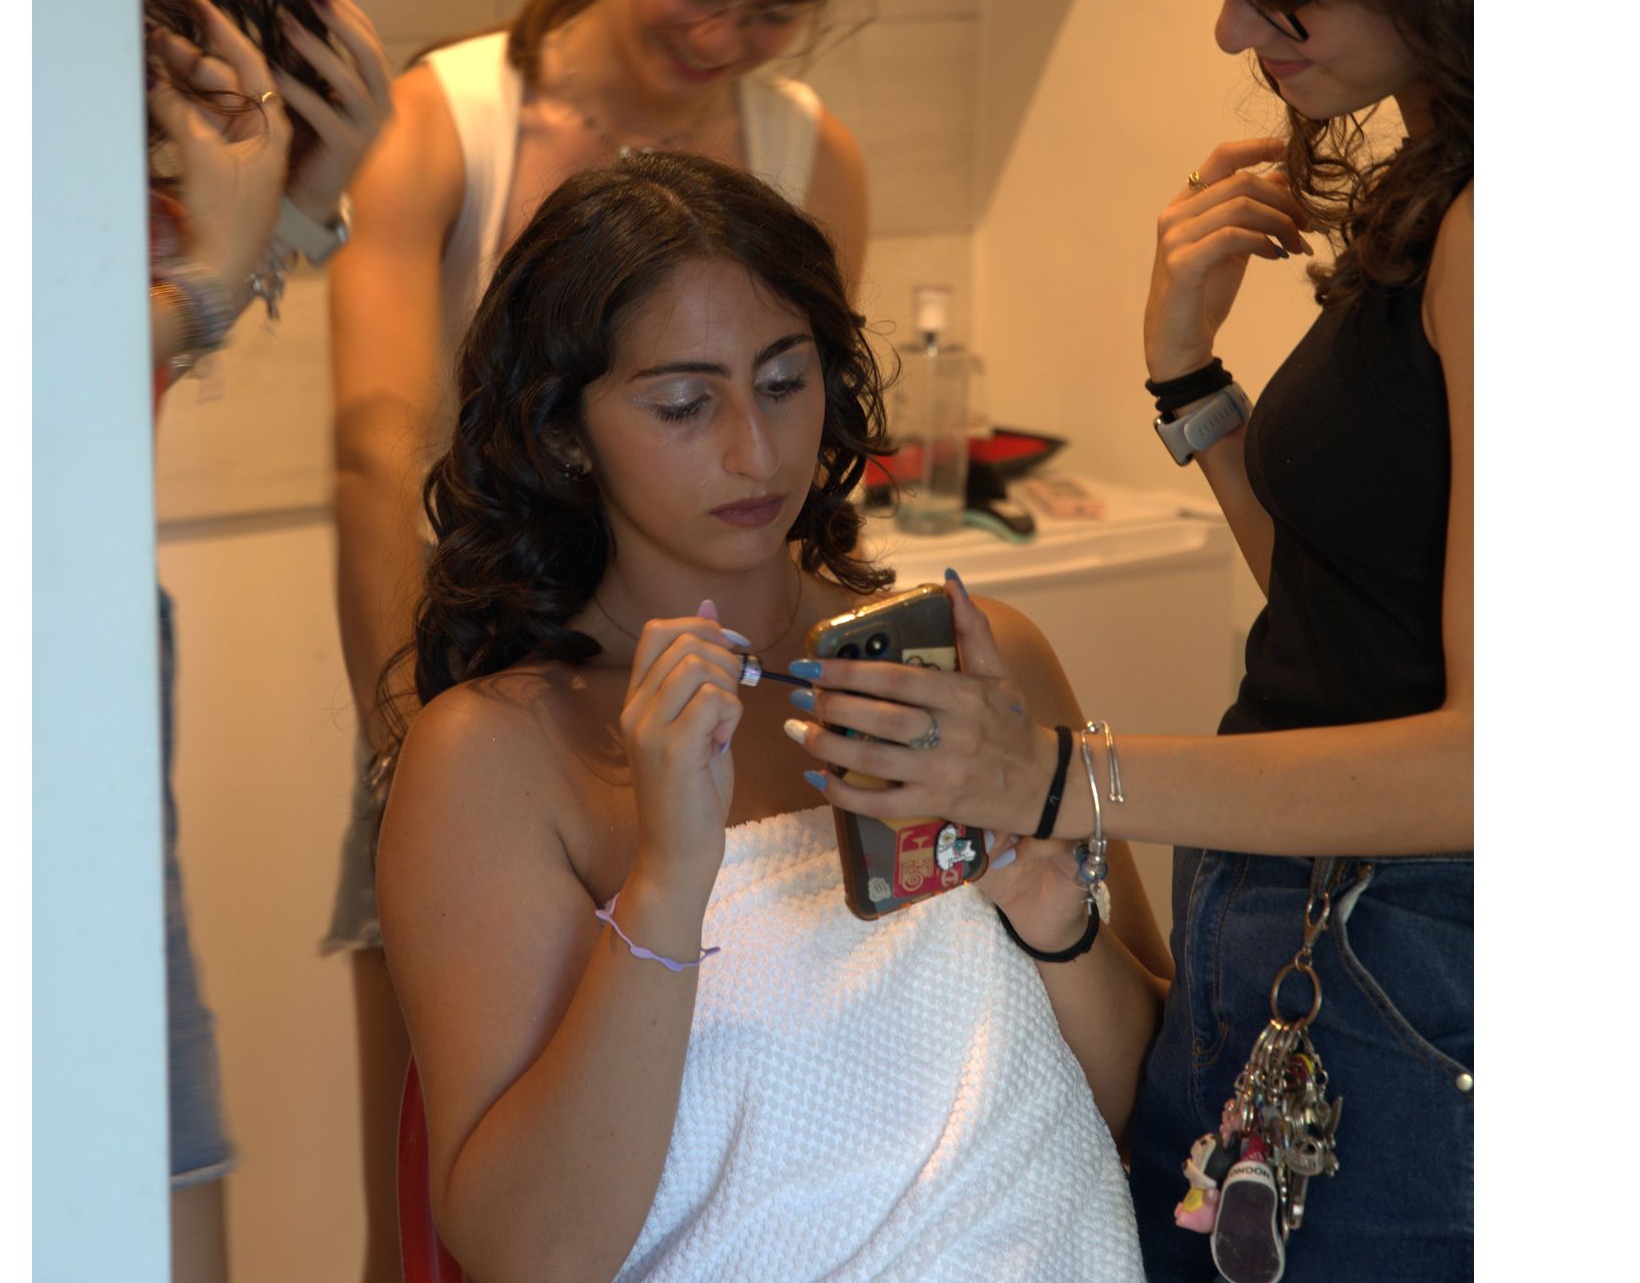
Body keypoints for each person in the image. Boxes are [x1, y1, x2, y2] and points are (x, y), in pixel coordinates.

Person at [777, 0, 1475, 1282]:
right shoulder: (1446, 181)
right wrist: (1189, 385)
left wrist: (1055, 776)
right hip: (1312, 929)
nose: (1235, 29)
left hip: (1398, 966)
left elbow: (1493, 762)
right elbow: (1360, 618)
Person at [376, 151, 1166, 1281]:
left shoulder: (982, 665)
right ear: (562, 431)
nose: (755, 450)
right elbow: (531, 1254)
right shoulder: (496, 756)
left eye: (786, 382)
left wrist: (1053, 914)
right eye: (684, 404)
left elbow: (1154, 1118)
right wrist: (667, 877)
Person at [323, 0, 872, 1276]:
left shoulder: (808, 153)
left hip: (737, 710)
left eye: (777, 9)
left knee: (742, 1137)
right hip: (482, 689)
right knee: (450, 1179)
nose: (726, 35)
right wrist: (419, 748)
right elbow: (375, 453)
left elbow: (793, 458)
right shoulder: (450, 120)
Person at [131, 0, 391, 1276]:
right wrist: (217, 277)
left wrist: (288, 214)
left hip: (94, 647)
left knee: (165, 1168)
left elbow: (93, 407)